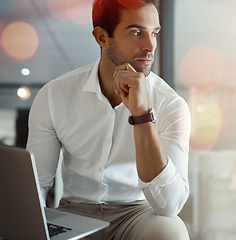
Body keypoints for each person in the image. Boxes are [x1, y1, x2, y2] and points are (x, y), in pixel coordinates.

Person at [26, 0, 191, 239]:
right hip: (74, 212)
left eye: (154, 33)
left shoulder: (170, 104)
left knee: (170, 232)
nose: (150, 46)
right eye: (137, 33)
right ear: (101, 37)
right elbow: (37, 185)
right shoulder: (53, 95)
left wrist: (142, 114)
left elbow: (169, 206)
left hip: (137, 215)